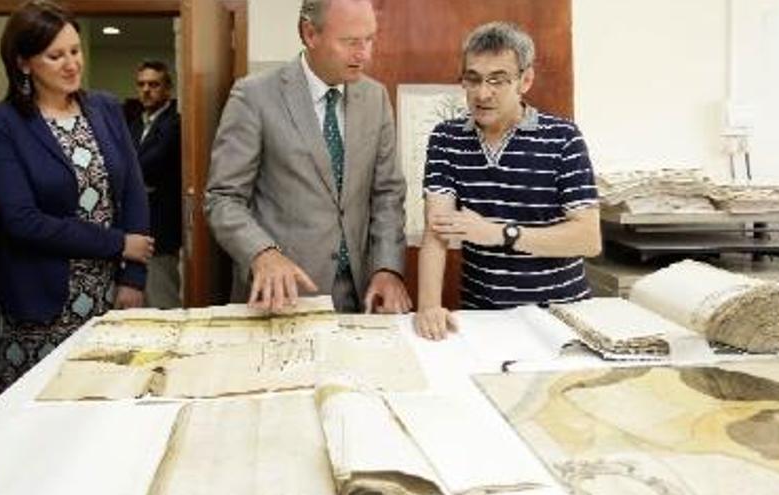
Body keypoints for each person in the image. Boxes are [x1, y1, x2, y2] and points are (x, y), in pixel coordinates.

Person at [0, 0, 153, 391]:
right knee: (42, 412)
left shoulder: (105, 108)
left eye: (75, 51)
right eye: (55, 55)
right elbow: (23, 221)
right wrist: (119, 244)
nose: (72, 64)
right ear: (24, 63)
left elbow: (133, 192)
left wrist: (134, 279)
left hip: (111, 292)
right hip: (42, 301)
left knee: (109, 403)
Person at [205, 0, 411, 314]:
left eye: (369, 39)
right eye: (350, 42)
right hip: (281, 298)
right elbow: (223, 199)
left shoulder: (375, 98)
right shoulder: (254, 96)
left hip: (358, 297)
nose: (364, 54)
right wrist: (262, 252)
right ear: (310, 33)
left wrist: (388, 268)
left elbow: (387, 194)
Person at [415, 22, 601, 340]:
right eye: (472, 80)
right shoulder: (446, 139)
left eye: (497, 81)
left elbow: (588, 238)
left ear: (525, 80)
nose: (482, 93)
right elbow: (437, 232)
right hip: (482, 317)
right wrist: (428, 306)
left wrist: (501, 234)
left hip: (561, 317)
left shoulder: (563, 138)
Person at [128, 60, 182, 308]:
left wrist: (130, 176)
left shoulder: (175, 123)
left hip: (161, 228)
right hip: (134, 229)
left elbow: (147, 165)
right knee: (140, 303)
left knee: (163, 301)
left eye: (154, 84)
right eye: (141, 85)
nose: (146, 90)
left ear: (167, 90)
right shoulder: (135, 123)